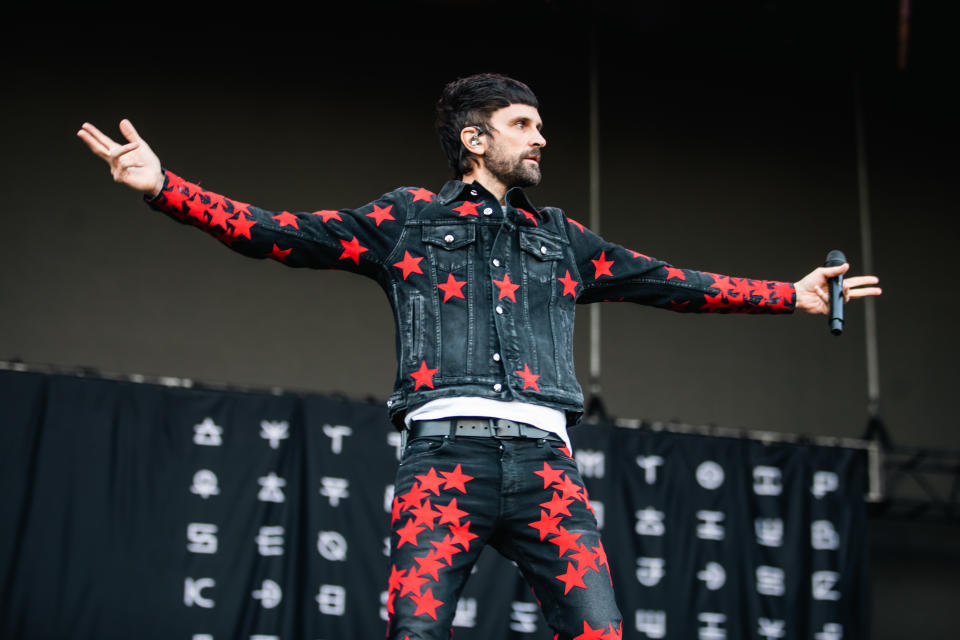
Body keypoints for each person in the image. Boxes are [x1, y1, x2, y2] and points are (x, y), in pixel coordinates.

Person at [78, 73, 881, 640]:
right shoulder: (407, 220)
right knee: (417, 631)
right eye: (523, 125)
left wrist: (793, 294)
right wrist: (164, 188)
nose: (542, 137)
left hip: (545, 469)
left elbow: (674, 282)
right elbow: (281, 232)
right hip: (442, 459)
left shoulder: (561, 239)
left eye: (539, 124)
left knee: (599, 633)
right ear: (474, 138)